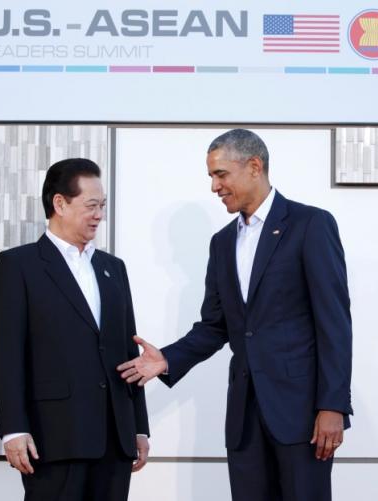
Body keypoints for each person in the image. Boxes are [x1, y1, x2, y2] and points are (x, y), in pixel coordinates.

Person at [118, 129, 352, 501]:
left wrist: (333, 405)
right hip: (244, 418)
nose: (214, 186)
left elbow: (334, 323)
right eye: (212, 176)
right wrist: (167, 359)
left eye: (221, 174)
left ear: (254, 166)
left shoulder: (311, 225)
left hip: (302, 415)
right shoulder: (222, 242)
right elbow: (216, 326)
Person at [0, 158, 150, 501]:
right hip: (54, 436)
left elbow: (129, 352)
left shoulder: (114, 268)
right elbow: (6, 355)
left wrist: (139, 427)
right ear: (59, 203)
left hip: (115, 438)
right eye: (91, 205)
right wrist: (13, 429)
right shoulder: (18, 265)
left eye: (102, 206)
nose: (98, 215)